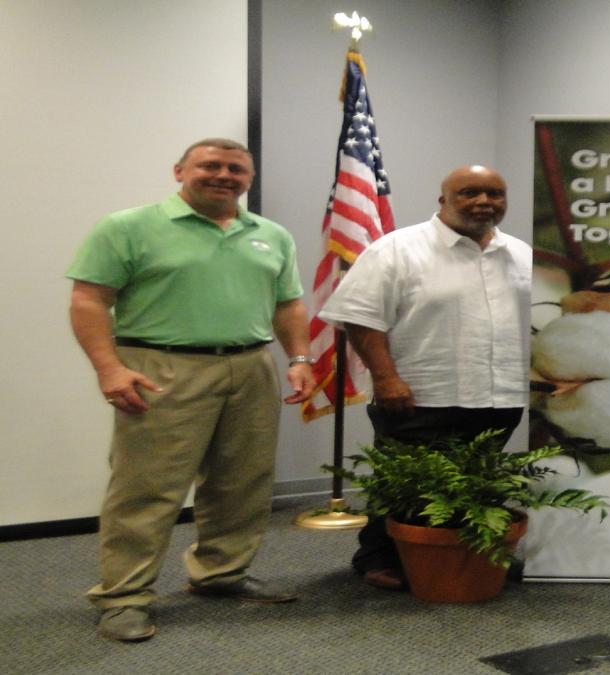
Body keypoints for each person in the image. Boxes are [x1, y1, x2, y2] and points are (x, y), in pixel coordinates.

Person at [67, 138, 317, 642]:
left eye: (236, 169)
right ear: (180, 169)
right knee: (147, 488)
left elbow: (288, 304)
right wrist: (109, 369)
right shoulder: (128, 227)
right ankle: (123, 597)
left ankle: (221, 574)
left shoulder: (269, 234)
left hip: (250, 366)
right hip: (161, 367)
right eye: (210, 166)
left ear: (248, 179)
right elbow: (89, 300)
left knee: (241, 481)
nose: (223, 175)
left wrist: (300, 359)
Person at [318, 165, 531, 589]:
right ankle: (378, 557)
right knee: (403, 486)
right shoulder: (396, 249)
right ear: (444, 200)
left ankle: (471, 554)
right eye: (469, 192)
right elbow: (360, 321)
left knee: (479, 483)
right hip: (418, 393)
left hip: (501, 393)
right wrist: (386, 378)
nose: (484, 202)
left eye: (495, 194)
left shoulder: (522, 254)